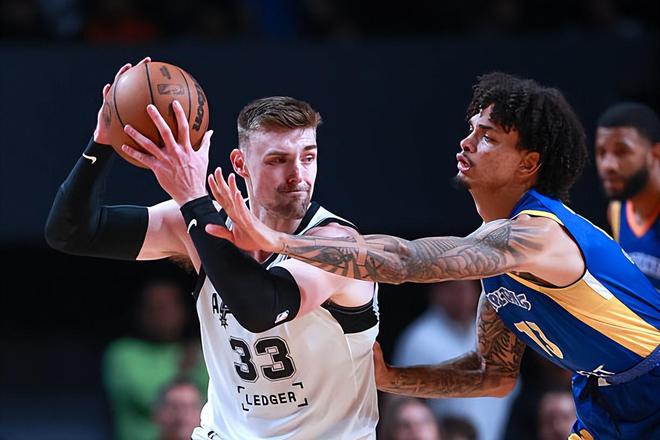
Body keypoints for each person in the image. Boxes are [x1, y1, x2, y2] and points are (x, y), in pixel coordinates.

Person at [205, 72, 660, 439]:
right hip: (603, 400)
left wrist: (278, 240)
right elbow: (492, 374)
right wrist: (390, 378)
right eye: (471, 130)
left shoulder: (538, 235)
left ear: (528, 163)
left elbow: (406, 260)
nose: (467, 142)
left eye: (487, 137)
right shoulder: (499, 259)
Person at [45, 59, 379, 439]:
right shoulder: (200, 219)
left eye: (308, 157)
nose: (297, 175)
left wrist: (192, 197)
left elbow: (261, 309)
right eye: (278, 160)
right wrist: (102, 143)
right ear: (241, 164)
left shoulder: (336, 245)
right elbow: (72, 232)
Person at [392, 281, 515, 440]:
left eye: (467, 288)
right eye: (453, 289)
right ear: (436, 293)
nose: (462, 296)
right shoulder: (419, 339)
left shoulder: (496, 331)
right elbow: (403, 405)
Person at [103, 278, 208, 440]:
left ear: (183, 311)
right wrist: (184, 370)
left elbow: (213, 399)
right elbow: (148, 396)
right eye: (153, 308)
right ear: (140, 312)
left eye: (167, 307)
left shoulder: (200, 350)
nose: (161, 315)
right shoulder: (123, 352)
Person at [595, 102, 660, 290]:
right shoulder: (616, 211)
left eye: (621, 152)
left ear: (655, 154)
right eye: (601, 153)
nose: (608, 165)